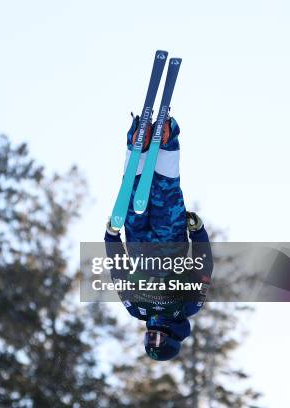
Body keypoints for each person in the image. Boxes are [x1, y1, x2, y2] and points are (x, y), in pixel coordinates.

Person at [104, 115, 213, 361]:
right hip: (170, 241)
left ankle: (138, 145)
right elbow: (203, 267)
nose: (150, 335)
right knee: (166, 189)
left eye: (147, 339)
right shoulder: (188, 306)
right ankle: (166, 140)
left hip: (137, 242)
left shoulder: (136, 308)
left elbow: (118, 273)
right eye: (155, 339)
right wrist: (198, 232)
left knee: (132, 191)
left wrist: (111, 238)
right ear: (171, 335)